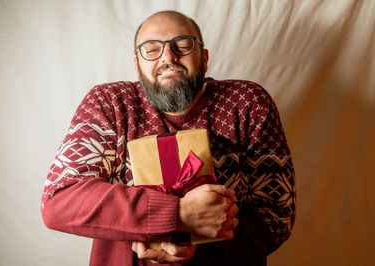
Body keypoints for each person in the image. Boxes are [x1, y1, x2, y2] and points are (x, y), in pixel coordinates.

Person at [41, 10, 295, 266]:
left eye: (183, 45)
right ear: (137, 64)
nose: (168, 56)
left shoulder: (246, 103)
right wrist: (178, 214)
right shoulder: (110, 104)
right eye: (151, 49)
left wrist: (194, 248)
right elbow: (60, 199)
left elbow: (277, 215)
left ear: (204, 58)